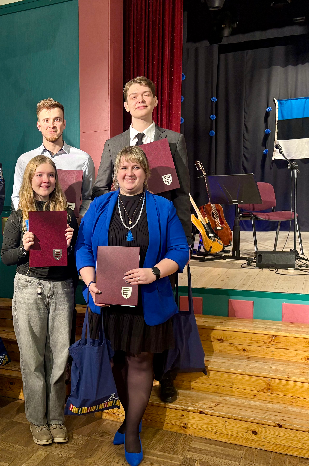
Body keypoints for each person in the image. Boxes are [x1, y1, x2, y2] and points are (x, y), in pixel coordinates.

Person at [76, 146, 189, 466]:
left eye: (136, 168)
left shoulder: (163, 207)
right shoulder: (99, 205)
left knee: (140, 361)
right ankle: (129, 419)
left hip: (147, 299)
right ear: (116, 174)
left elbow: (180, 250)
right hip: (108, 298)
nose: (129, 173)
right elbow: (83, 248)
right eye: (123, 168)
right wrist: (90, 282)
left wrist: (154, 272)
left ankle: (132, 430)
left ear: (146, 173)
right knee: (116, 361)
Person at [92, 76, 192, 403]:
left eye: (145, 94)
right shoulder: (114, 144)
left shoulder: (173, 140)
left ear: (155, 101)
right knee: (127, 313)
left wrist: (182, 242)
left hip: (160, 242)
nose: (139, 100)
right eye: (133, 96)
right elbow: (99, 188)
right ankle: (128, 376)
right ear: (125, 105)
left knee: (161, 311)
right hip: (122, 239)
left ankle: (165, 374)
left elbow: (182, 193)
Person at [1, 155, 77, 446]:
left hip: (61, 288)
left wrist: (69, 245)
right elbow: (7, 256)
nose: (46, 180)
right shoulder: (19, 215)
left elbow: (75, 261)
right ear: (30, 179)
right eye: (39, 175)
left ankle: (56, 418)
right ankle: (37, 420)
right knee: (33, 359)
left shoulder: (67, 215)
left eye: (51, 175)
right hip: (28, 287)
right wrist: (24, 248)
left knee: (59, 357)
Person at [11, 98, 95, 217]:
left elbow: (89, 197)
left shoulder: (83, 159)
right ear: (39, 125)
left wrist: (81, 218)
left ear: (64, 124)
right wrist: (27, 219)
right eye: (46, 120)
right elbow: (17, 197)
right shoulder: (25, 160)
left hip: (72, 225)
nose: (51, 125)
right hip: (34, 225)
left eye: (57, 120)